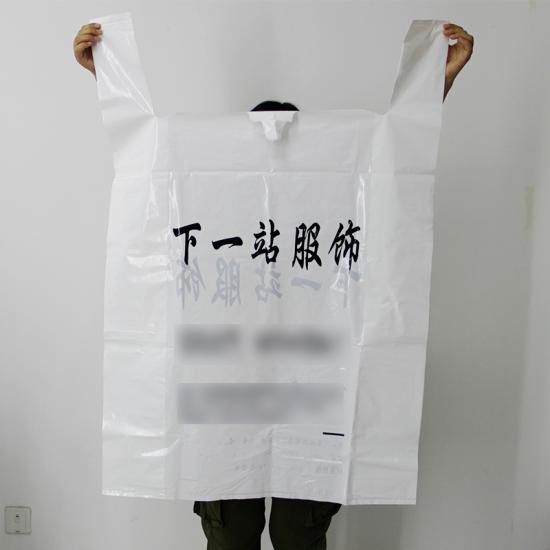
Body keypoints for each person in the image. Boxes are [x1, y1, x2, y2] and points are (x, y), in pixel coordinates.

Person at [74, 20, 473, 550]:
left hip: (309, 392)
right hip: (225, 395)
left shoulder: (331, 202)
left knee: (296, 536)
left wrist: (436, 85)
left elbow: (388, 163)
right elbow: (154, 161)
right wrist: (106, 75)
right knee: (231, 536)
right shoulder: (211, 200)